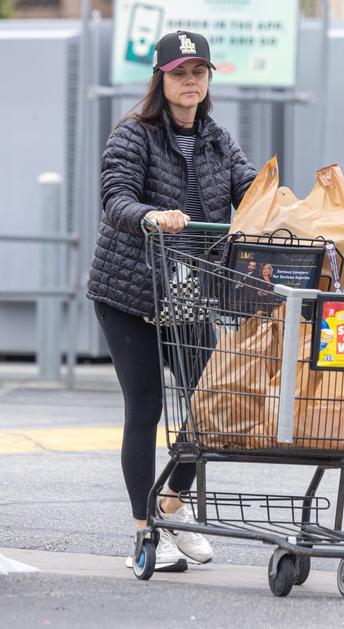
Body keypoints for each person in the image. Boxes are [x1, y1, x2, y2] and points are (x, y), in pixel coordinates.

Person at [86, 30, 257, 571]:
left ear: (208, 80)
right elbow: (115, 198)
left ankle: (172, 503)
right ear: (160, 78)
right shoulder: (133, 134)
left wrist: (285, 207)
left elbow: (251, 189)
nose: (190, 81)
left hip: (186, 292)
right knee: (146, 407)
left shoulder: (218, 140)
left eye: (198, 72)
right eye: (179, 72)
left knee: (214, 404)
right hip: (128, 290)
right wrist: (151, 215)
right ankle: (146, 533)